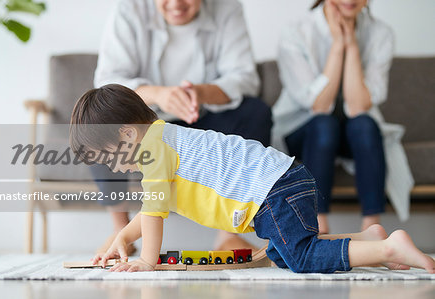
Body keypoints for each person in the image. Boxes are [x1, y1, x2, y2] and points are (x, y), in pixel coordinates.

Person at [69, 84, 434, 273]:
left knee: (300, 258)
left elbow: (154, 214)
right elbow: (151, 210)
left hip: (274, 190)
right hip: (281, 183)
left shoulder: (154, 151)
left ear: (128, 135)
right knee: (280, 251)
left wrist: (147, 261)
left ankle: (390, 250)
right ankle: (366, 239)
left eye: (108, 157)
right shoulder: (164, 137)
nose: (113, 168)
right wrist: (122, 236)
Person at [92, 0, 271, 254]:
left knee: (256, 112)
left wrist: (200, 92)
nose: (176, 4)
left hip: (202, 119)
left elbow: (245, 78)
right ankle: (121, 231)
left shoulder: (228, 7)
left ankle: (228, 235)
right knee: (98, 121)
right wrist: (158, 94)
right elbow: (107, 82)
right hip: (145, 118)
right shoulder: (128, 9)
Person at [271, 0, 414, 233]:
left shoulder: (381, 33)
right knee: (324, 124)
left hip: (351, 133)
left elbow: (358, 106)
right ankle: (318, 225)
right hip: (302, 129)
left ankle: (372, 228)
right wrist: (338, 46)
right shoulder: (295, 31)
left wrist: (352, 45)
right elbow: (320, 105)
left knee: (365, 125)